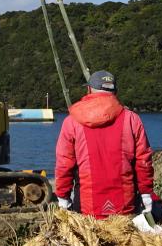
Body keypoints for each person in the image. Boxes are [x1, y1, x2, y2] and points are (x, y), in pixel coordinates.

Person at [54, 70, 154, 219]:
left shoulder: (72, 121)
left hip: (86, 206)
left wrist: (63, 197)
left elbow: (64, 163)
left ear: (89, 90)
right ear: (115, 91)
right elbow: (143, 161)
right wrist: (146, 193)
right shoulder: (132, 119)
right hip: (126, 205)